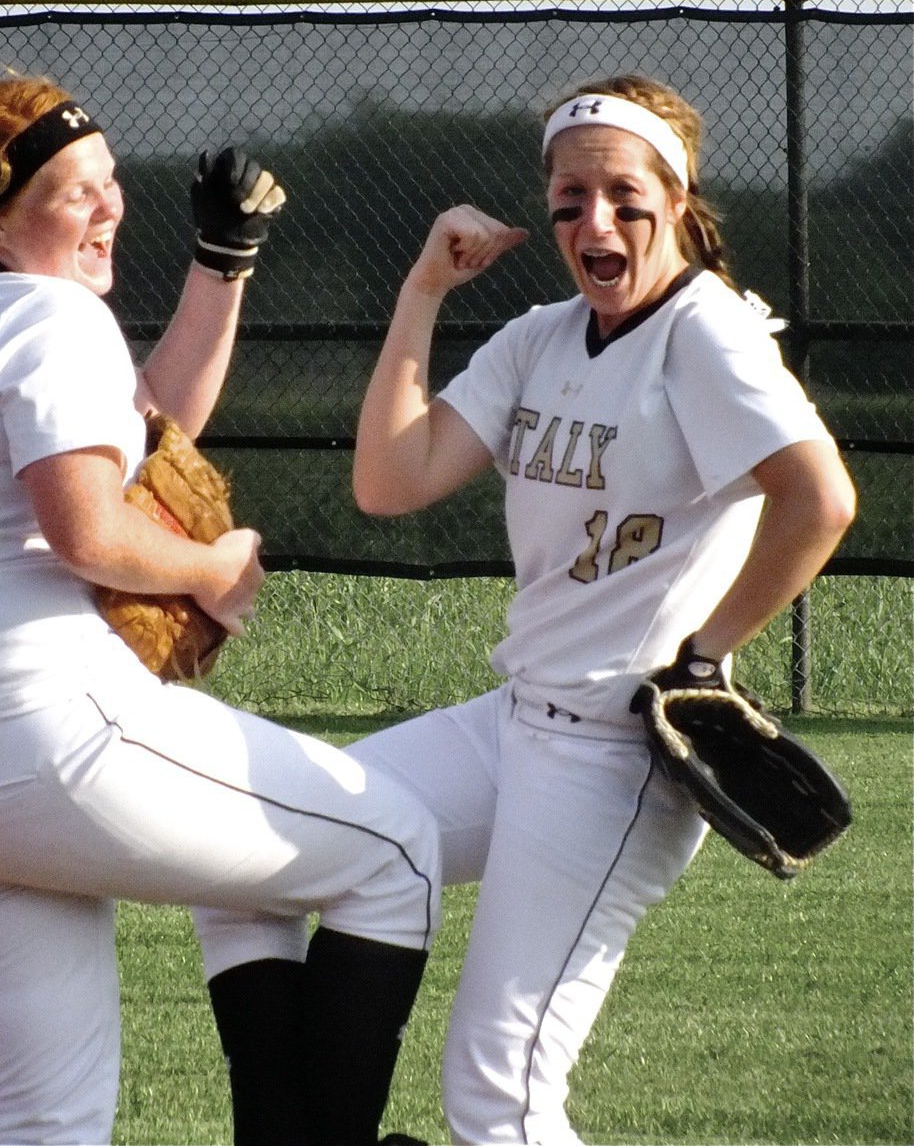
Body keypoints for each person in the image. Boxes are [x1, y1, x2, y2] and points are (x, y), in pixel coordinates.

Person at [0, 74, 440, 1146]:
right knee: (398, 851)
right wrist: (210, 568)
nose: (108, 208)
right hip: (44, 738)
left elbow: (146, 428)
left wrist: (221, 265)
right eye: (74, 193)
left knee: (47, 1120)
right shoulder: (50, 313)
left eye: (109, 184)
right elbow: (89, 531)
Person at [343, 73, 857, 1144]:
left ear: (675, 199)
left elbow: (821, 499)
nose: (595, 220)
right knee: (278, 842)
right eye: (569, 198)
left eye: (624, 194)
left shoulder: (702, 334)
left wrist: (706, 657)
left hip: (611, 761)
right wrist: (422, 293)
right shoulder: (541, 335)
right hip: (513, 725)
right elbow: (390, 483)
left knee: (499, 1095)